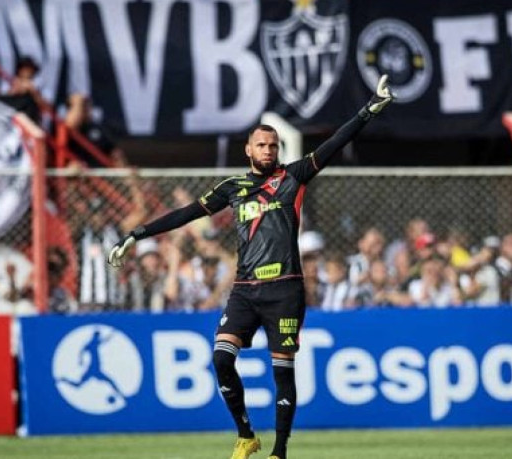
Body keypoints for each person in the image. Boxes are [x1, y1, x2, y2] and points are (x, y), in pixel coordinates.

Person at [107, 75, 394, 459]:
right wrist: (137, 234)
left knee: (283, 373)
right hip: (244, 290)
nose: (268, 150)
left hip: (285, 289)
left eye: (273, 145)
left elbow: (335, 143)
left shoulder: (293, 176)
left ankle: (279, 452)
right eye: (262, 144)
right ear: (248, 150)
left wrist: (369, 109)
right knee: (221, 359)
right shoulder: (232, 188)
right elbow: (187, 213)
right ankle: (246, 435)